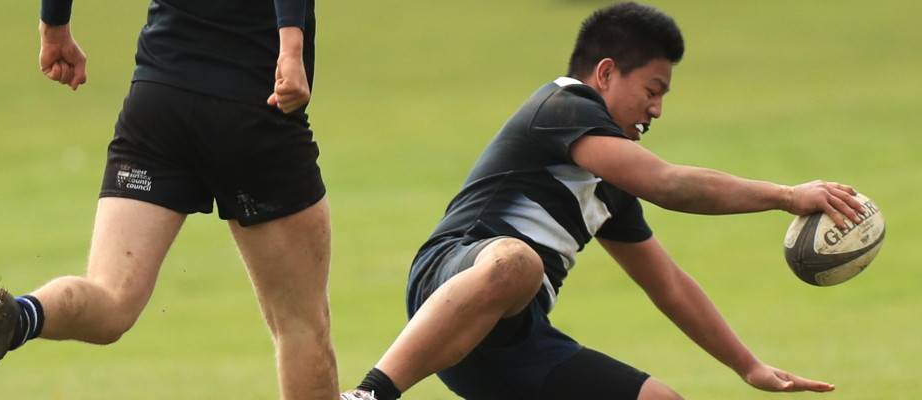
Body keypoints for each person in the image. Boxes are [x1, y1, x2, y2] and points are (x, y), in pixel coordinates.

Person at [339, 3, 866, 400]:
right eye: (652, 90)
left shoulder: (610, 184)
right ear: (607, 73)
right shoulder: (561, 104)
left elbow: (669, 285)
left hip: (514, 343)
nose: (656, 110)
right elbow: (668, 183)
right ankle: (369, 395)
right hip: (451, 282)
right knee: (517, 262)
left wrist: (747, 367)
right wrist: (786, 196)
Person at [0, 0, 338, 399]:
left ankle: (17, 317)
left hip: (157, 102)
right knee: (300, 324)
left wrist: (55, 27)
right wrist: (290, 50)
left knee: (111, 297)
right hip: (252, 107)